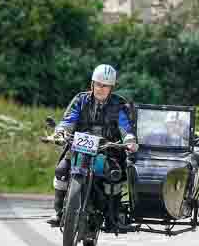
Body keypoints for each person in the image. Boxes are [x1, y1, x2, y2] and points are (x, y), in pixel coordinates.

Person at [47, 64, 138, 226]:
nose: (101, 89)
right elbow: (69, 120)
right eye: (98, 84)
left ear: (111, 88)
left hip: (108, 150)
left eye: (105, 86)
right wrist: (60, 132)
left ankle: (113, 215)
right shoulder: (81, 100)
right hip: (79, 148)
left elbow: (125, 127)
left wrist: (129, 141)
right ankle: (59, 212)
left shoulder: (119, 105)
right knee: (61, 170)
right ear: (92, 84)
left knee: (114, 175)